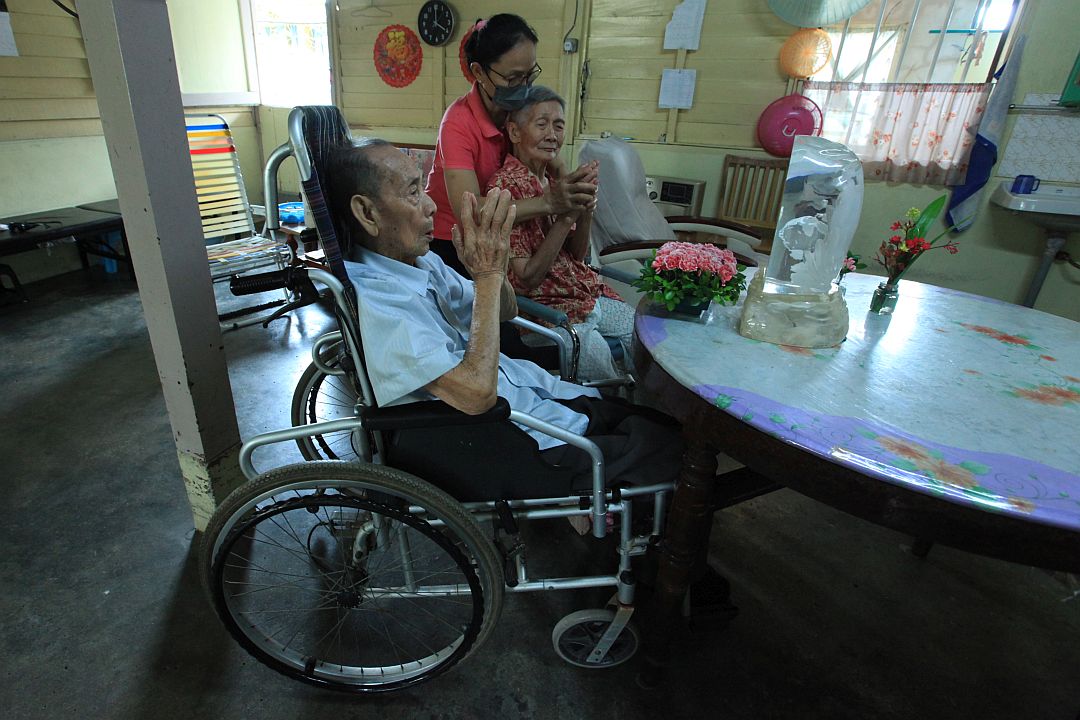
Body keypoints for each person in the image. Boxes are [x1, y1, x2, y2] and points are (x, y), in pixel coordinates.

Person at [324, 138, 682, 501]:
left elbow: (506, 311)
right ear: (367, 214)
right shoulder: (379, 300)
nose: (432, 205)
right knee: (675, 450)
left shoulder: (418, 260)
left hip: (536, 395)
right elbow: (477, 396)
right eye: (414, 192)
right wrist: (489, 276)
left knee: (654, 421)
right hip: (514, 440)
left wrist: (492, 265)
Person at [425, 13, 598, 273]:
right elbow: (470, 213)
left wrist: (577, 187)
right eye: (513, 78)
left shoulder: (518, 109)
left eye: (530, 75)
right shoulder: (457, 123)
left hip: (504, 231)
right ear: (479, 73)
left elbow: (557, 166)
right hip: (454, 241)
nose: (525, 87)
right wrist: (549, 203)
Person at [488, 87, 635, 381]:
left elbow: (577, 256)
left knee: (643, 333)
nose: (552, 134)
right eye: (541, 124)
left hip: (584, 295)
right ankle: (602, 417)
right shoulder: (505, 190)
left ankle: (648, 411)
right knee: (594, 355)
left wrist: (586, 210)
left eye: (559, 125)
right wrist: (565, 216)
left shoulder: (555, 181)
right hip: (542, 312)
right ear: (515, 132)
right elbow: (528, 278)